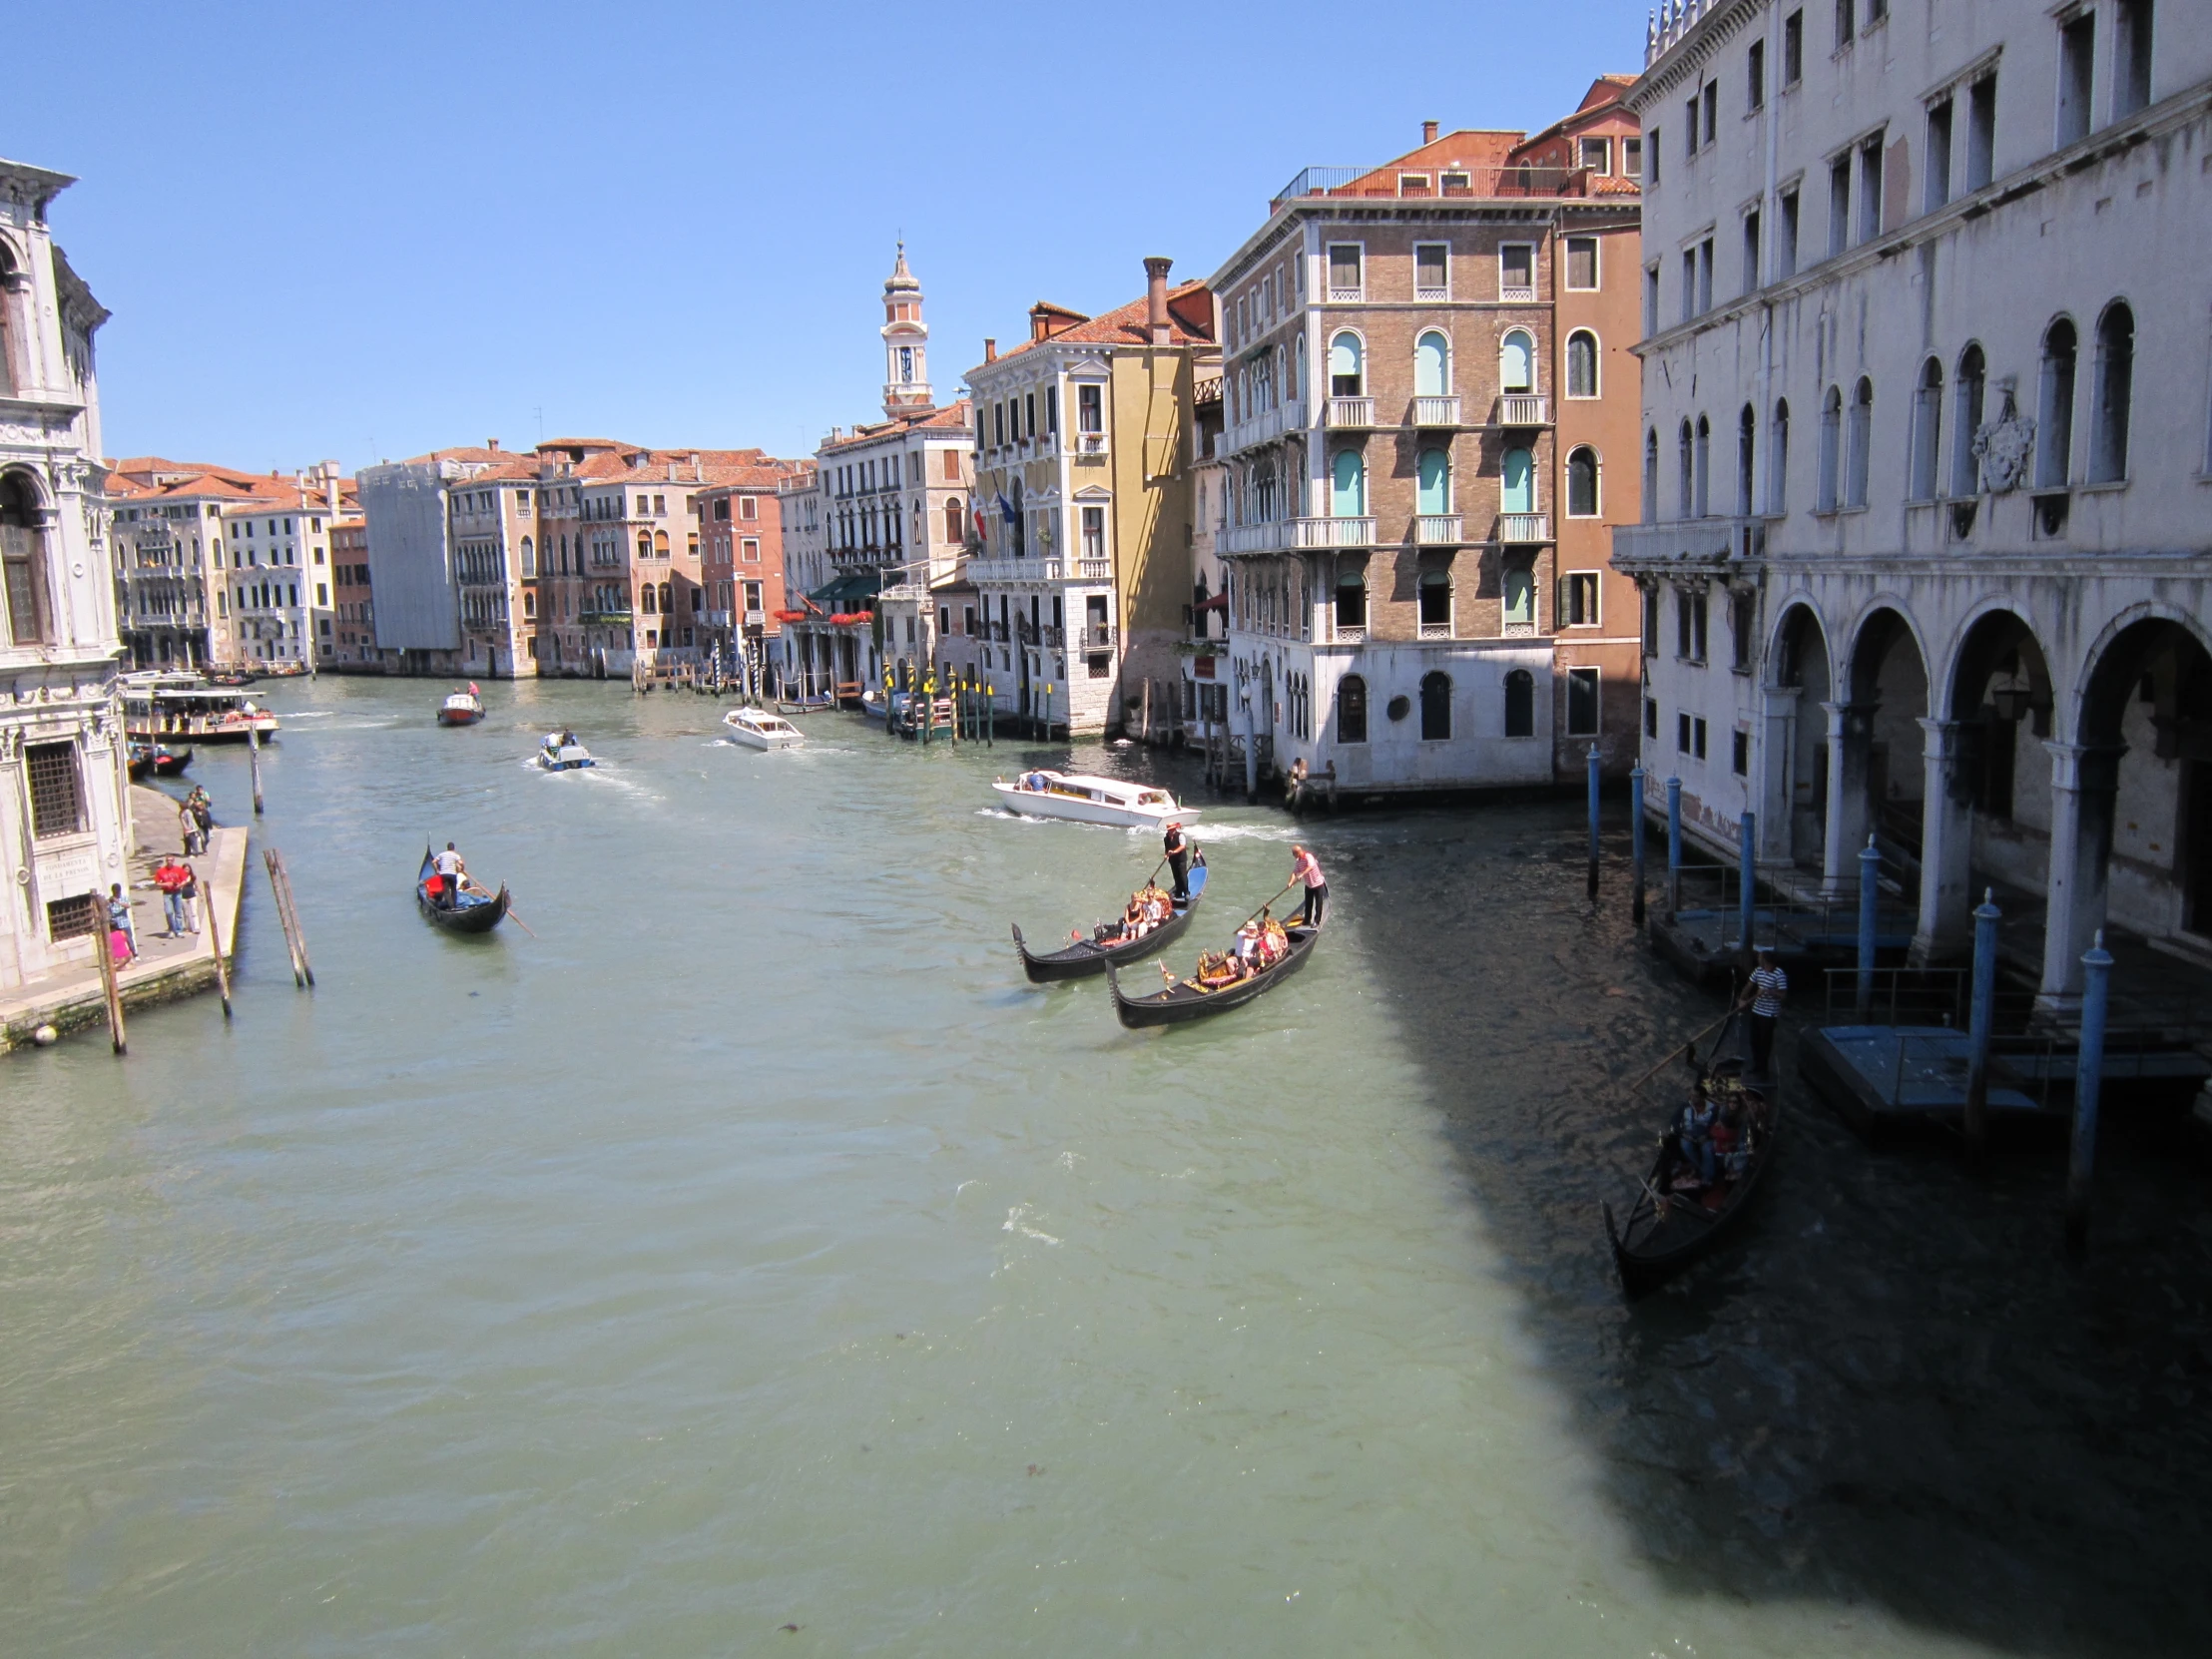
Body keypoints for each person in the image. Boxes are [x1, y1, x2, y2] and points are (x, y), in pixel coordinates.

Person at [1738, 946, 1788, 1079]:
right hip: (1757, 1010)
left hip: (1770, 1014)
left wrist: (1768, 991)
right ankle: (1756, 1065)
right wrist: (1742, 999)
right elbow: (1749, 985)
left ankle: (1763, 1068)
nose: (1758, 959)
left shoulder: (1779, 974)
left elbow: (1783, 995)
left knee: (1764, 1042)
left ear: (1765, 960)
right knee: (1754, 1039)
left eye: (1760, 957)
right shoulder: (1758, 971)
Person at [1291, 844, 1327, 927]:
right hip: (1308, 885)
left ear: (1298, 852)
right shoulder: (1298, 861)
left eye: (1294, 854)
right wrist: (1291, 882)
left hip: (1317, 884)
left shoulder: (1308, 857)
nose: (1293, 856)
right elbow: (1294, 872)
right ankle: (1307, 920)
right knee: (1308, 903)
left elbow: (1310, 867)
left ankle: (1316, 921)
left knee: (1318, 904)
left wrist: (1301, 874)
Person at [155, 856, 191, 938]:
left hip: (177, 892)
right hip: (167, 893)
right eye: (168, 860)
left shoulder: (178, 869)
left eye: (171, 860)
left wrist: (180, 885)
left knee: (178, 911)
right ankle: (171, 929)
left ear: (173, 861)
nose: (169, 862)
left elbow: (184, 880)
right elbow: (157, 883)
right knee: (169, 912)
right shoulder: (161, 871)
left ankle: (179, 930)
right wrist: (166, 884)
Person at [1163, 821, 1193, 902]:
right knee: (1176, 876)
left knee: (1182, 876)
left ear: (1174, 829)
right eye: (1169, 830)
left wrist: (1174, 852)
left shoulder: (1180, 836)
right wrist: (1166, 855)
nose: (1170, 831)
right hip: (1172, 860)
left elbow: (1182, 846)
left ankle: (1186, 892)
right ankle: (1178, 892)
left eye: (1172, 829)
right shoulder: (1166, 838)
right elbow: (1167, 849)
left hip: (1181, 859)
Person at [107, 882, 138, 961]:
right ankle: (121, 957)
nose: (116, 893)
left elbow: (128, 906)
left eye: (117, 891)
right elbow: (107, 911)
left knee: (129, 940)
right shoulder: (110, 900)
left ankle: (135, 954)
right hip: (115, 925)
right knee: (118, 942)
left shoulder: (124, 898)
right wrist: (108, 903)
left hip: (124, 922)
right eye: (115, 892)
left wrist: (118, 902)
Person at [433, 841, 466, 908]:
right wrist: (462, 868)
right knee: (454, 890)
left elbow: (434, 861)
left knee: (446, 891)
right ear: (454, 849)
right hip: (452, 875)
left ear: (447, 848)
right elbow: (461, 863)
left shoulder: (442, 854)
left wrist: (437, 870)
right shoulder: (455, 855)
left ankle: (451, 907)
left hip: (444, 874)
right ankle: (454, 905)